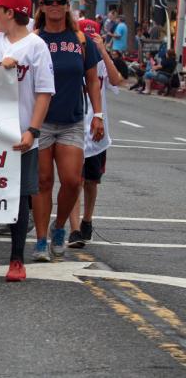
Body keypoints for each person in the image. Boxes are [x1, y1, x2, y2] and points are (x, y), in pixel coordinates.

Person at [0, 0, 54, 281]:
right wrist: (0, 72)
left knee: (18, 198)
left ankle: (17, 259)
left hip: (20, 133)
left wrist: (32, 130)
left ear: (11, 13)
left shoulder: (36, 46)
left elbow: (44, 93)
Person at [31, 0, 104, 261]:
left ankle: (59, 227)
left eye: (59, 0)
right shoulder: (34, 39)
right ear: (42, 5)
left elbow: (93, 81)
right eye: (48, 0)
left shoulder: (80, 40)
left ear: (66, 5)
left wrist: (97, 115)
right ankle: (40, 240)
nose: (54, 5)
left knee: (73, 181)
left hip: (72, 120)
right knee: (43, 180)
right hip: (41, 121)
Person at [67, 25, 123, 247]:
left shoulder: (100, 62)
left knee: (91, 181)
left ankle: (87, 220)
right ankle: (74, 230)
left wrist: (103, 51)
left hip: (97, 133)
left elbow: (117, 80)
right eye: (84, 39)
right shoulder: (70, 60)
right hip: (73, 128)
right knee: (73, 181)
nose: (86, 44)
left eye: (91, 39)